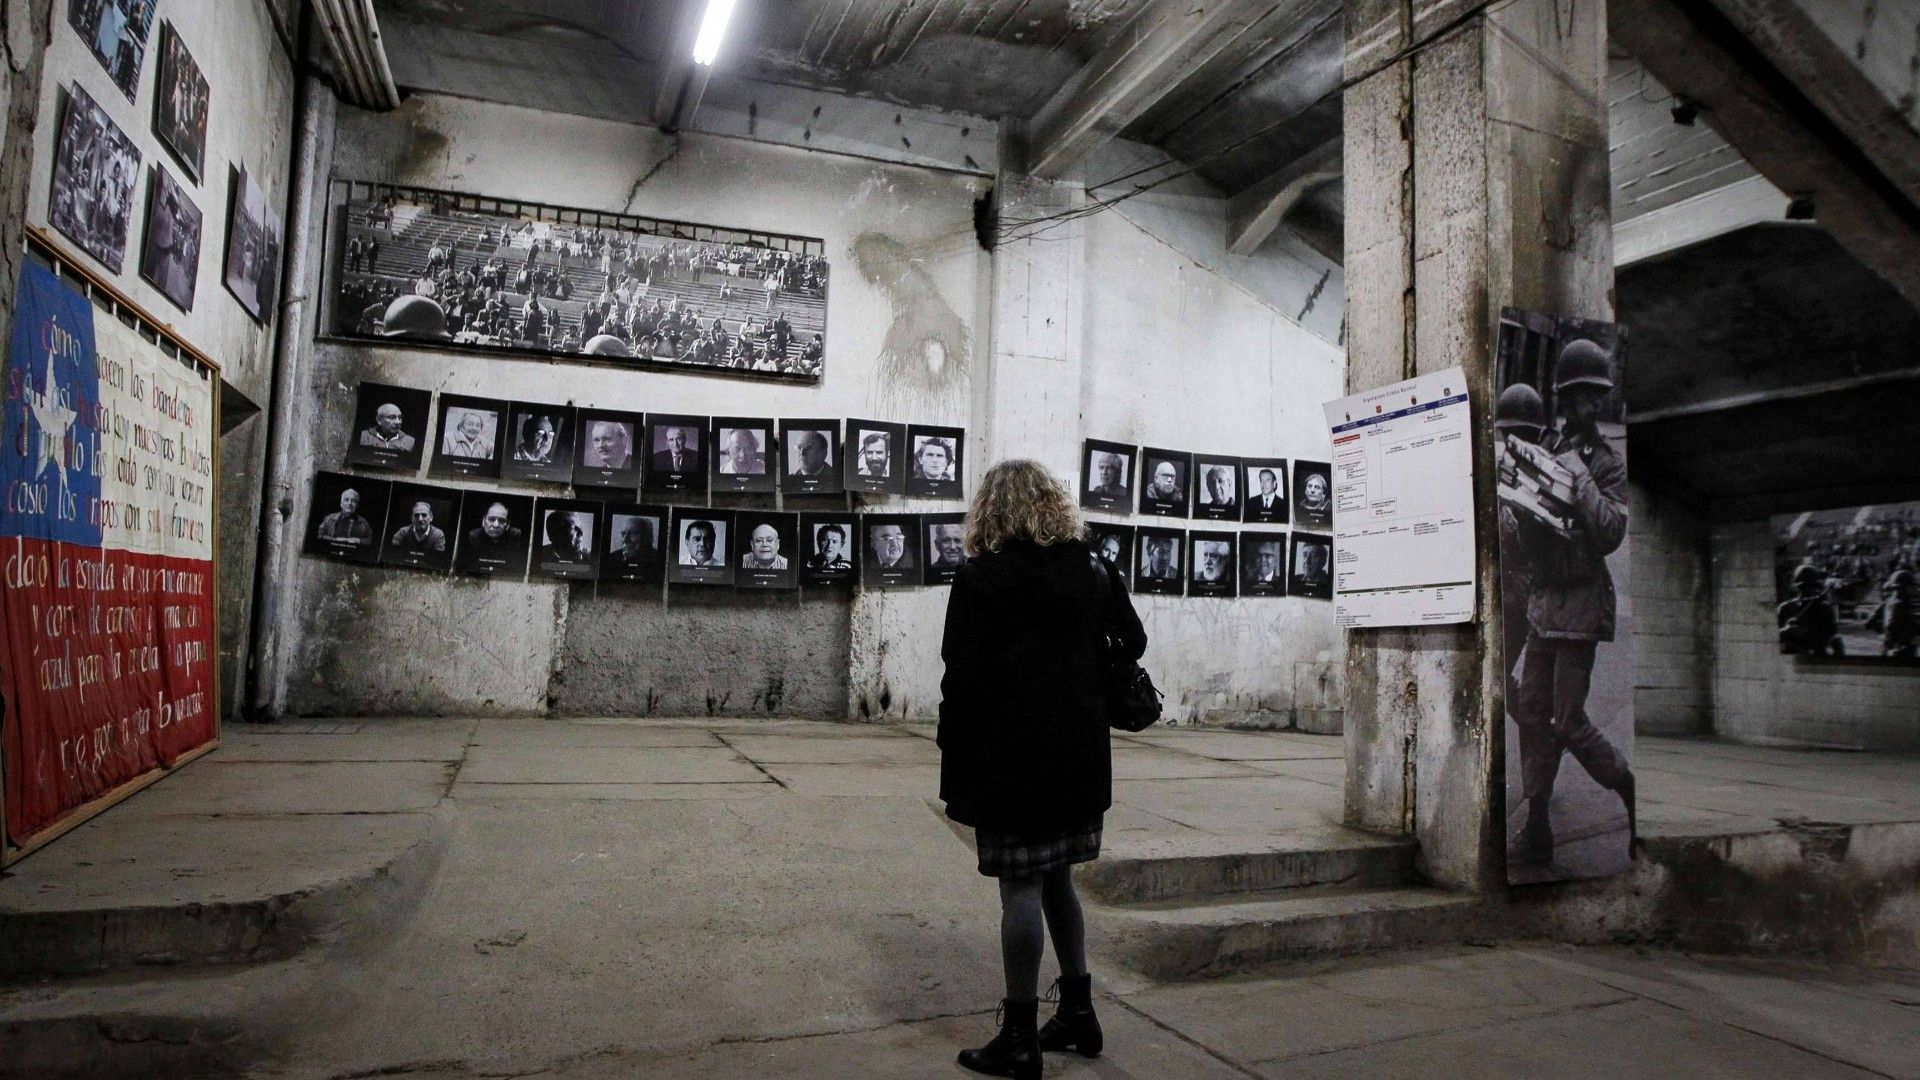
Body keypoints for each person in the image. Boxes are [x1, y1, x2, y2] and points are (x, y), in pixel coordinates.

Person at [938, 459, 1147, 1077]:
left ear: (992, 511)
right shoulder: (1092, 568)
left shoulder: (980, 579)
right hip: (1078, 760)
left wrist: (955, 756)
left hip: (1010, 762)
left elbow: (962, 673)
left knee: (1022, 888)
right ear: (1054, 506)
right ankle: (1079, 1013)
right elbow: (1131, 644)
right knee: (1058, 879)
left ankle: (1021, 1035)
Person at [1510, 339, 1636, 866]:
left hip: (1581, 607)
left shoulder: (1607, 464)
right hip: (1545, 604)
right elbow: (1528, 528)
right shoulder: (1545, 445)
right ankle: (1537, 822)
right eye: (1582, 398)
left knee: (1567, 720)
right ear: (1564, 399)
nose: (1591, 407)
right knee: (1535, 715)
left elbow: (1609, 532)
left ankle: (1625, 785)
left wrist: (1575, 476)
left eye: (1597, 398)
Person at [1777, 564, 1841, 656]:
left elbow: (1835, 640)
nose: (1811, 591)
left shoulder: (1824, 608)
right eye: (1805, 587)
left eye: (1813, 587)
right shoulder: (1785, 608)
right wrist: (1785, 631)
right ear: (1798, 588)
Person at [1865, 568, 1917, 658]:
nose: (1914, 589)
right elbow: (1898, 626)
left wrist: (1884, 632)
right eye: (1911, 586)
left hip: (1888, 648)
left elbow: (1869, 623)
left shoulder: (1887, 602)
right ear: (1904, 587)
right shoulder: (1901, 605)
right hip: (1901, 651)